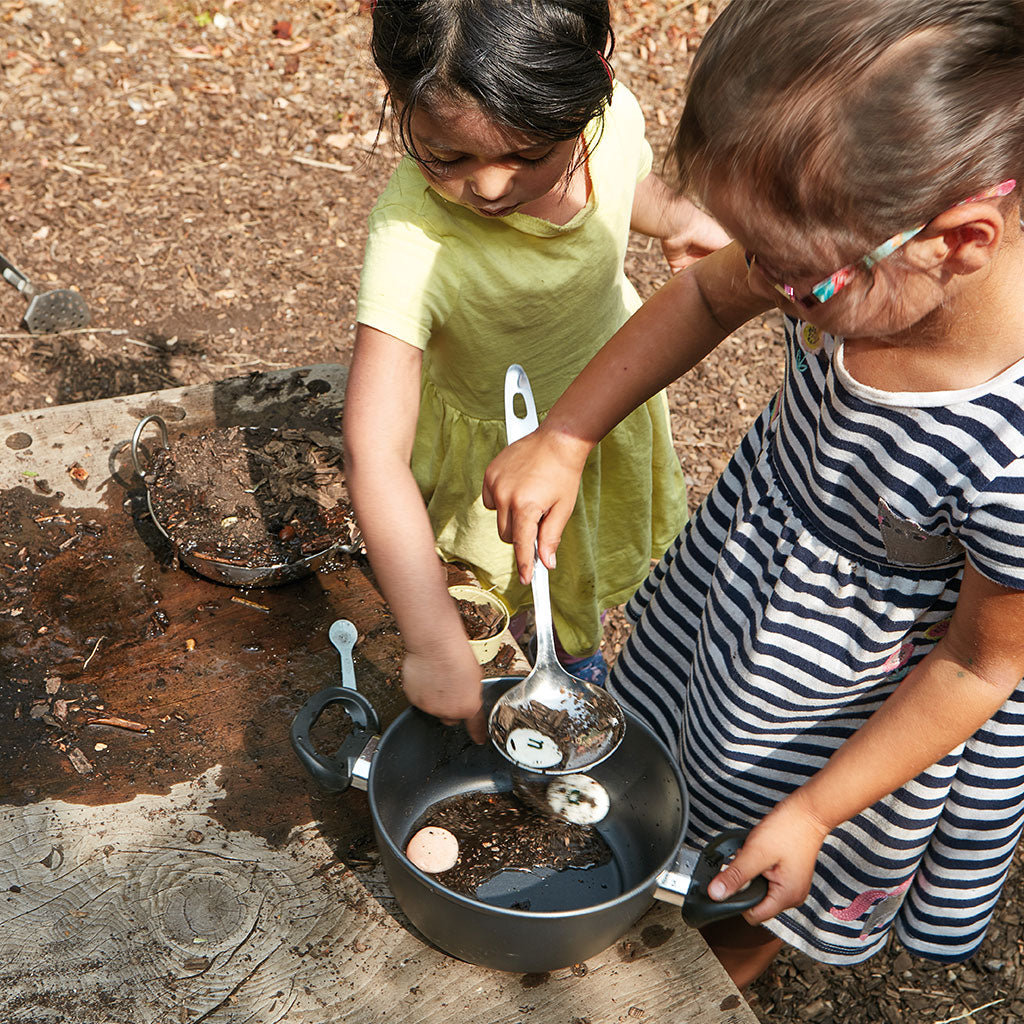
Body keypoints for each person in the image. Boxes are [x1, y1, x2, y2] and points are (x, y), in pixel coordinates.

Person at [482, 0, 1024, 991]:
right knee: (674, 750)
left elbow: (975, 669)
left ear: (960, 238)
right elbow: (700, 292)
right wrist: (565, 435)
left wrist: (817, 812)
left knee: (760, 868)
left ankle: (708, 982)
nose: (764, 282)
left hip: (863, 696)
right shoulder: (838, 248)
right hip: (739, 589)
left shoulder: (1012, 456)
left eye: (795, 277)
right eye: (753, 250)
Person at [344, 0, 729, 740]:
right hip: (492, 468)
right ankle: (552, 675)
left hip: (602, 413)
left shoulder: (607, 126)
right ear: (400, 101)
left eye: (527, 156)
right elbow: (374, 451)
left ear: (592, 94)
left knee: (584, 575)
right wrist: (430, 642)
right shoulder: (413, 238)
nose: (489, 187)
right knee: (516, 592)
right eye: (447, 156)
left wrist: (679, 217)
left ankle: (581, 662)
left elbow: (624, 182)